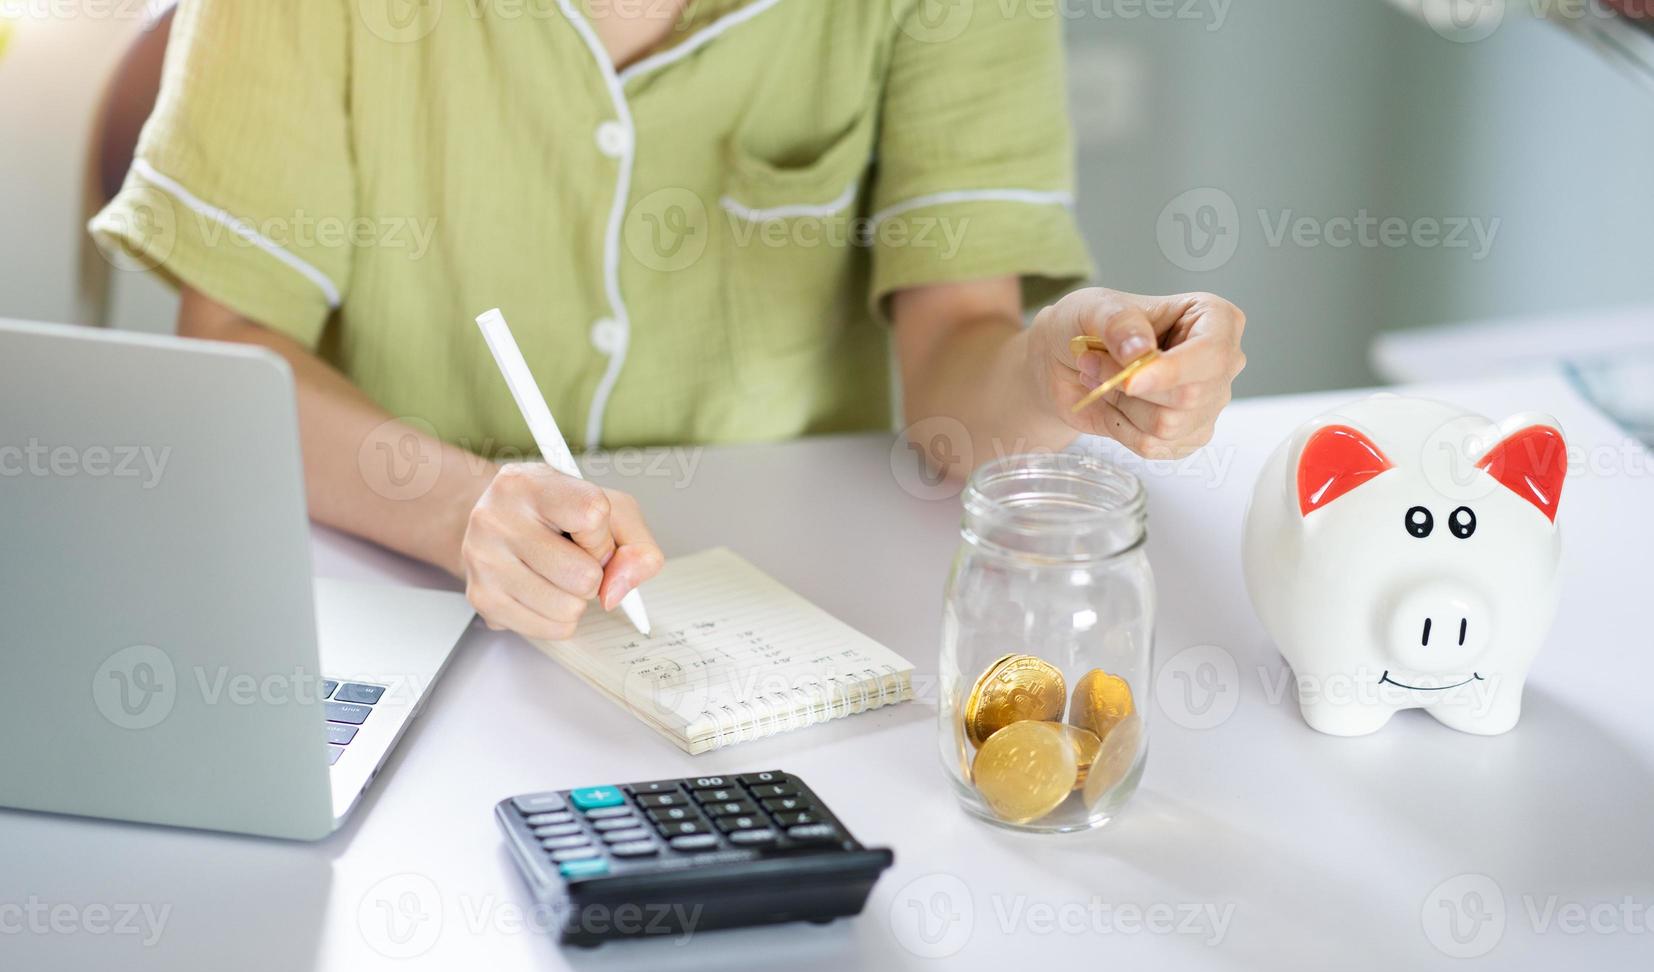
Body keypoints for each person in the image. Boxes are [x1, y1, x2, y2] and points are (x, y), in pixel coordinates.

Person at [92, 0, 1247, 642]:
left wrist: (1057, 369)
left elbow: (954, 374)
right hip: (394, 608)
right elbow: (236, 350)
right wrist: (462, 510)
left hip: (788, 621)